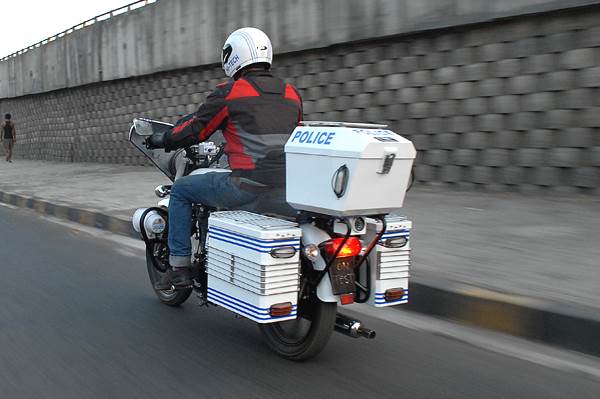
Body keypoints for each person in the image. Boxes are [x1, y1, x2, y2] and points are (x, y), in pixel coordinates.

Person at [146, 27, 303, 289]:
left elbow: (197, 128)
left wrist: (164, 139)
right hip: (285, 189)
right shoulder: (292, 94)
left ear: (234, 56)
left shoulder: (231, 92)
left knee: (182, 190)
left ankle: (180, 268)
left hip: (245, 187)